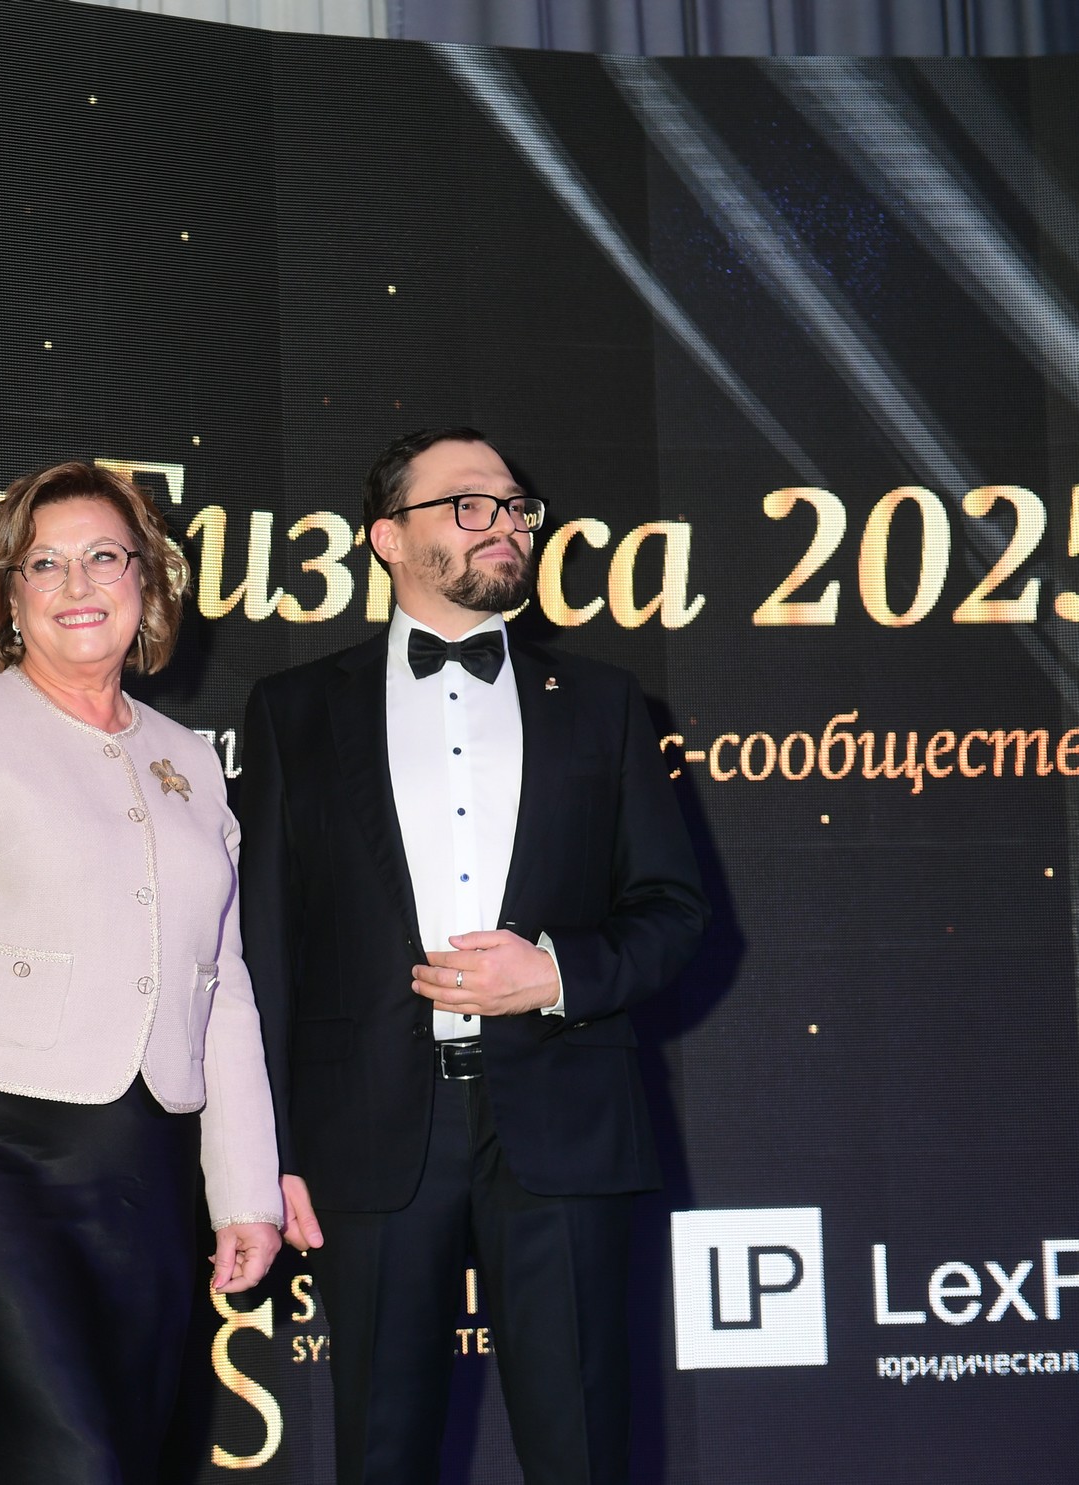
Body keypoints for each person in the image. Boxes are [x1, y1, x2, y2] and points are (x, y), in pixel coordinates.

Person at [240, 427, 708, 1484]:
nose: (504, 524)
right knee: (380, 1451)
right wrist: (269, 1149)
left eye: (513, 507)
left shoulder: (604, 704)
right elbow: (264, 944)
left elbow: (673, 911)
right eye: (468, 504)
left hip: (564, 1120)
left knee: (583, 1450)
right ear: (386, 538)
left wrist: (555, 974)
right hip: (365, 1127)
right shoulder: (294, 712)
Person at [0, 460, 284, 1484]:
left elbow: (220, 985)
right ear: (9, 596)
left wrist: (244, 1189)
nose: (76, 584)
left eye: (103, 558)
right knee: (70, 1460)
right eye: (43, 564)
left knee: (130, 1456)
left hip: (149, 1164)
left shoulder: (189, 757)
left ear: (147, 582)